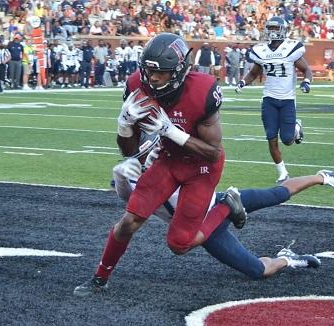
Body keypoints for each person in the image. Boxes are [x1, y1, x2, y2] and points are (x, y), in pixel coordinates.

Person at [73, 134, 334, 296]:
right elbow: (128, 222)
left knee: (278, 194)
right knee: (258, 271)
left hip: (214, 204)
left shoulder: (171, 162)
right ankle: (288, 259)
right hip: (204, 228)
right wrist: (101, 275)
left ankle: (323, 177)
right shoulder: (133, 182)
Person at [74, 33, 247, 295]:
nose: (152, 78)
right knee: (129, 221)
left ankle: (225, 205)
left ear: (178, 71)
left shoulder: (202, 90)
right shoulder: (137, 85)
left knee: (179, 244)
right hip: (168, 159)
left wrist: (170, 131)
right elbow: (129, 152)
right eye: (148, 70)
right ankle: (100, 278)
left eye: (161, 73)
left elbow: (213, 152)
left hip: (201, 168)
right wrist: (124, 125)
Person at [235, 16, 313, 183]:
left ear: (283, 30)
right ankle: (282, 173)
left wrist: (306, 82)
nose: (272, 31)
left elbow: (307, 70)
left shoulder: (291, 48)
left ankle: (296, 127)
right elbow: (254, 73)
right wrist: (243, 82)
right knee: (271, 137)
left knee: (287, 140)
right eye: (269, 28)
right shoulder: (261, 51)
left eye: (275, 28)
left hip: (287, 100)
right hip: (269, 99)